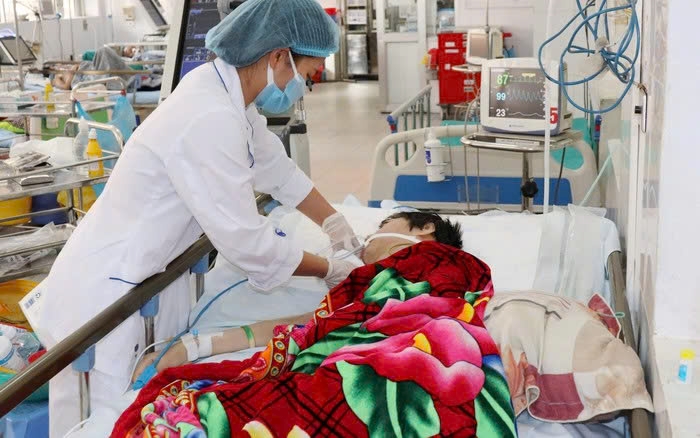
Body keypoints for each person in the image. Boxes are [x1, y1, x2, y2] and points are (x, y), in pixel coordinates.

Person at [23, 1, 360, 436]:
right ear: (279, 56)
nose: (303, 86)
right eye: (306, 74)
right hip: (105, 299)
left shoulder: (228, 97)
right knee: (102, 422)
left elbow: (278, 170)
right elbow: (249, 243)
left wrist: (336, 225)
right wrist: (329, 268)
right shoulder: (209, 116)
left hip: (146, 285)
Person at [132, 212, 463, 378]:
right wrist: (191, 347)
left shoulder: (450, 272)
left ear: (425, 229)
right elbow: (301, 328)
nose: (370, 234)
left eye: (384, 224)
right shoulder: (361, 287)